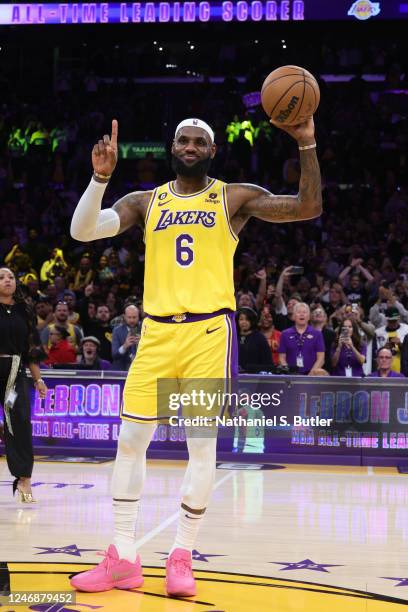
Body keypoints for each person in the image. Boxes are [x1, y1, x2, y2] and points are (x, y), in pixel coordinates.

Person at [69, 115, 322, 597]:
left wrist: (306, 142)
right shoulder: (145, 201)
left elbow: (308, 205)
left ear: (212, 149)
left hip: (209, 332)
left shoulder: (233, 197)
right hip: (156, 334)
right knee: (129, 442)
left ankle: (182, 556)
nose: (189, 147)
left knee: (200, 446)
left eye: (199, 142)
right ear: (172, 147)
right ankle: (123, 557)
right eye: (183, 140)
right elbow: (84, 231)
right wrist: (100, 178)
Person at [0, 267, 47, 502]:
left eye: (10, 277)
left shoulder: (24, 310)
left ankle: (23, 479)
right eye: (1, 278)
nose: (7, 281)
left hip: (14, 373)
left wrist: (38, 379)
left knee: (20, 420)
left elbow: (31, 350)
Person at [278, 302, 325, 375]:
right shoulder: (285, 334)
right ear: (293, 316)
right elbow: (281, 358)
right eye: (299, 312)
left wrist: (310, 375)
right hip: (291, 376)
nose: (302, 314)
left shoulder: (317, 334)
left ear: (309, 317)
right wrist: (288, 374)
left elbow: (321, 359)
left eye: (304, 312)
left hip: (311, 376)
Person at [237, 307, 272, 373]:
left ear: (252, 321)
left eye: (247, 319)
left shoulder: (259, 338)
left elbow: (268, 364)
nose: (244, 322)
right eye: (241, 319)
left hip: (255, 378)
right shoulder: (233, 337)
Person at [374, 306, 408, 373]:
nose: (393, 323)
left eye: (395, 321)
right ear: (386, 319)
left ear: (399, 318)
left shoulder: (406, 330)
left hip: (403, 370)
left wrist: (401, 345)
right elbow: (374, 354)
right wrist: (384, 348)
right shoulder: (378, 333)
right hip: (384, 371)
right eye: (391, 321)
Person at [111, 305, 141, 371]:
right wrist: (125, 346)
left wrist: (142, 344)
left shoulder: (145, 329)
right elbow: (114, 355)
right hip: (122, 371)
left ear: (139, 316)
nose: (132, 320)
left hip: (141, 370)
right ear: (124, 317)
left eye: (134, 317)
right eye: (129, 317)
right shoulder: (117, 331)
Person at [310, 304, 335, 373]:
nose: (318, 313)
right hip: (309, 367)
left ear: (325, 318)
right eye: (315, 313)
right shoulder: (306, 333)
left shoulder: (332, 334)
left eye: (320, 312)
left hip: (327, 369)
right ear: (310, 317)